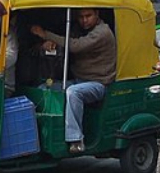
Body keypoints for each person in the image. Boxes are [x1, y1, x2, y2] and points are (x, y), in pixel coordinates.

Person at [30, 8, 116, 154]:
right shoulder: (78, 29)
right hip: (78, 80)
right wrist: (48, 43)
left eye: (88, 16)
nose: (84, 20)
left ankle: (76, 139)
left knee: (73, 93)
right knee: (44, 88)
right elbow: (66, 40)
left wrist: (45, 34)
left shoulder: (103, 32)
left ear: (97, 15)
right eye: (81, 17)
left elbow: (75, 46)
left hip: (98, 84)